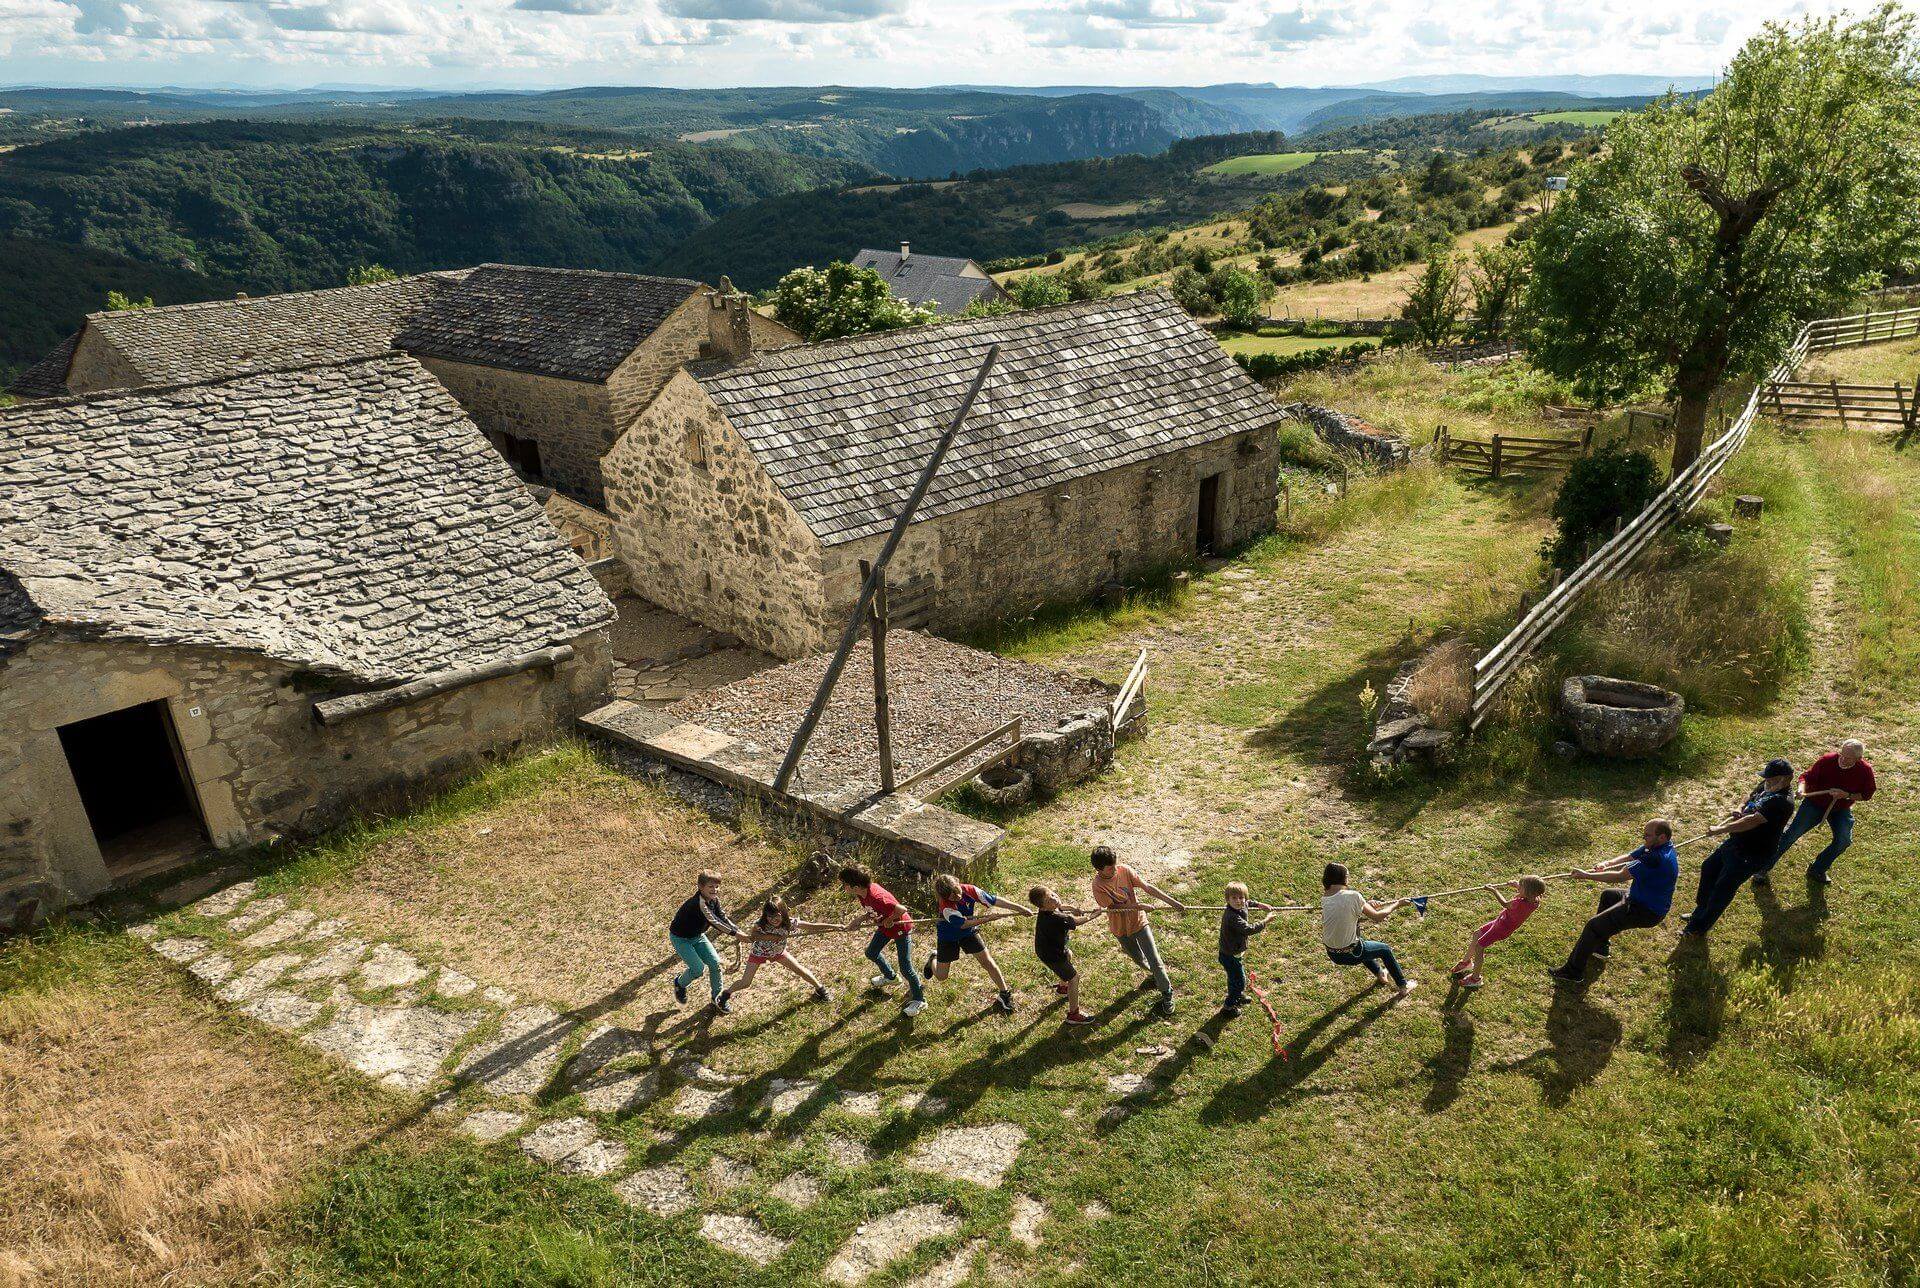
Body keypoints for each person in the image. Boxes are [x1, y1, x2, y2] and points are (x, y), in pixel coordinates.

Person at [1549, 820, 1679, 985]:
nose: (1643, 838)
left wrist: (1586, 875)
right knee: (1609, 896)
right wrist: (1607, 863)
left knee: (1593, 926)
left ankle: (1572, 972)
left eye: (1647, 835)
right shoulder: (1658, 846)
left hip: (1645, 910)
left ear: (1661, 837)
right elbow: (1631, 856)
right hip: (1638, 898)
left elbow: (1619, 876)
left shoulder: (1655, 859)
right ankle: (1600, 946)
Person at [1681, 760, 1795, 939]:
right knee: (1709, 868)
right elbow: (1749, 797)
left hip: (1752, 853)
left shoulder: (1783, 802)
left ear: (1786, 779)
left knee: (1723, 889)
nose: (1768, 782)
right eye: (1767, 779)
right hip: (1736, 843)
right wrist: (1739, 807)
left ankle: (1698, 928)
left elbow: (1751, 821)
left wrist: (1720, 829)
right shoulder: (1767, 786)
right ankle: (1700, 912)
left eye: (1772, 779)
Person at [1758, 738, 1876, 887]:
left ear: (1859, 759)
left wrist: (1846, 795)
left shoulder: (1865, 770)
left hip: (1840, 808)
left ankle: (1817, 869)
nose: (1843, 759)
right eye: (1842, 755)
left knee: (1843, 841)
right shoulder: (1828, 760)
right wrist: (1802, 789)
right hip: (1814, 804)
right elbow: (1805, 777)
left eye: (1848, 758)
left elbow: (1867, 794)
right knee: (1791, 835)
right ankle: (1762, 868)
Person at [1089, 845, 1185, 1017]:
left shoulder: (1124, 870)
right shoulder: (1098, 886)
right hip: (1120, 929)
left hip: (1139, 923)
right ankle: (1154, 975)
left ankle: (1167, 992)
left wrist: (1172, 902)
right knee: (1139, 959)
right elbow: (1113, 907)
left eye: (1115, 865)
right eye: (1110, 868)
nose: (1114, 869)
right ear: (1098, 869)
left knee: (1155, 960)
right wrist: (1138, 905)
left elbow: (1147, 887)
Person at [923, 874, 1029, 1014]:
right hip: (948, 936)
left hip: (968, 933)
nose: (958, 897)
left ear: (958, 883)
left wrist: (1019, 908)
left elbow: (994, 900)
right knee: (942, 976)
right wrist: (987, 919)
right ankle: (933, 959)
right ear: (944, 897)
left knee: (988, 962)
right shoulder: (946, 907)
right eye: (953, 897)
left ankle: (1004, 994)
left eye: (958, 892)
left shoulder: (970, 890)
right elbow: (963, 924)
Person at [716, 897, 841, 1011]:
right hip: (758, 953)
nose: (773, 920)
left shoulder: (789, 923)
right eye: (769, 917)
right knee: (746, 982)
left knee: (799, 969)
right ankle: (725, 995)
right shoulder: (760, 924)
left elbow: (812, 927)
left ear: (783, 913)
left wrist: (836, 926)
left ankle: (820, 989)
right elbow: (753, 936)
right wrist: (771, 936)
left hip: (778, 953)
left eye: (777, 916)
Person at [838, 863, 927, 1016]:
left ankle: (919, 999)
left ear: (856, 886)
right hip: (885, 928)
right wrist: (859, 920)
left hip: (900, 929)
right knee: (871, 953)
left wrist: (891, 918)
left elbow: (901, 909)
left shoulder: (878, 897)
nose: (843, 887)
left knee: (905, 967)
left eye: (844, 884)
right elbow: (871, 911)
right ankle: (891, 977)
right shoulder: (862, 893)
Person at [1320, 863, 1416, 998]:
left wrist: (1365, 905)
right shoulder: (1353, 896)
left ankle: (1380, 973)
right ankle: (1403, 986)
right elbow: (1377, 917)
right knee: (1384, 950)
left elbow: (1347, 914)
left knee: (1363, 945)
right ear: (1343, 878)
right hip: (1351, 953)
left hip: (1332, 954)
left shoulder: (1325, 898)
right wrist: (1398, 904)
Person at [1449, 875, 1547, 989]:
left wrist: (1493, 890)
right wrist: (1517, 887)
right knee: (1477, 934)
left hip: (1501, 929)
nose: (1519, 887)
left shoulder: (1519, 904)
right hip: (1500, 922)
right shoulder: (1535, 901)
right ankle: (1466, 963)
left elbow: (1505, 904)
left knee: (1479, 947)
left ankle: (1475, 978)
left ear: (1528, 892)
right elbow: (1528, 893)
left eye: (1521, 886)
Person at [669, 870, 747, 1012]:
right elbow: (714, 921)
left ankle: (716, 997)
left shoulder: (714, 900)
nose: (715, 890)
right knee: (698, 969)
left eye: (717, 887)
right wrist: (735, 933)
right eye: (711, 887)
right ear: (700, 887)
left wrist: (737, 930)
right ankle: (679, 983)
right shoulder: (699, 903)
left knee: (715, 963)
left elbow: (722, 917)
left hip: (697, 936)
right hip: (681, 939)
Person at [1029, 885, 1097, 1025]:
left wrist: (1073, 908)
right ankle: (1073, 1015)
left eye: (1053, 894)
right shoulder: (1056, 918)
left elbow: (1062, 907)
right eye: (1050, 899)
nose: (1055, 898)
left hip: (1049, 949)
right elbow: (1077, 921)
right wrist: (1092, 916)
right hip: (1052, 955)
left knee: (1068, 955)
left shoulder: (1049, 910)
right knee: (1074, 978)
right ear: (1043, 906)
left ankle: (1062, 988)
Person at [1218, 881, 1274, 1016]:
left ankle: (1238, 994)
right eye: (1234, 898)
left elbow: (1249, 903)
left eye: (1241, 897)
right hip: (1229, 955)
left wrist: (1260, 905)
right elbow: (1249, 929)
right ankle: (1229, 1006)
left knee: (1236, 978)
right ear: (1227, 899)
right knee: (1239, 981)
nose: (1238, 901)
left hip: (1234, 952)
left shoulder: (1242, 905)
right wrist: (1266, 920)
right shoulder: (1232, 917)